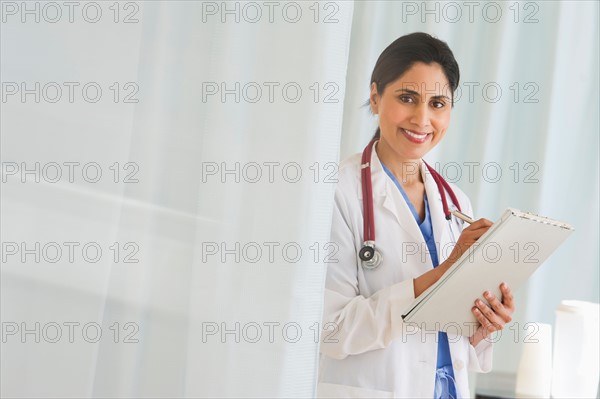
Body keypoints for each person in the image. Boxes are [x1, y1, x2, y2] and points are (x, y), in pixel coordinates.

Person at [318, 32, 515, 398]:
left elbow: (445, 336)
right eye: (407, 98)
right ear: (375, 97)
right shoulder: (337, 192)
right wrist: (443, 275)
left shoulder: (456, 202)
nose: (422, 119)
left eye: (438, 103)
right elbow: (333, 330)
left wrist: (481, 328)